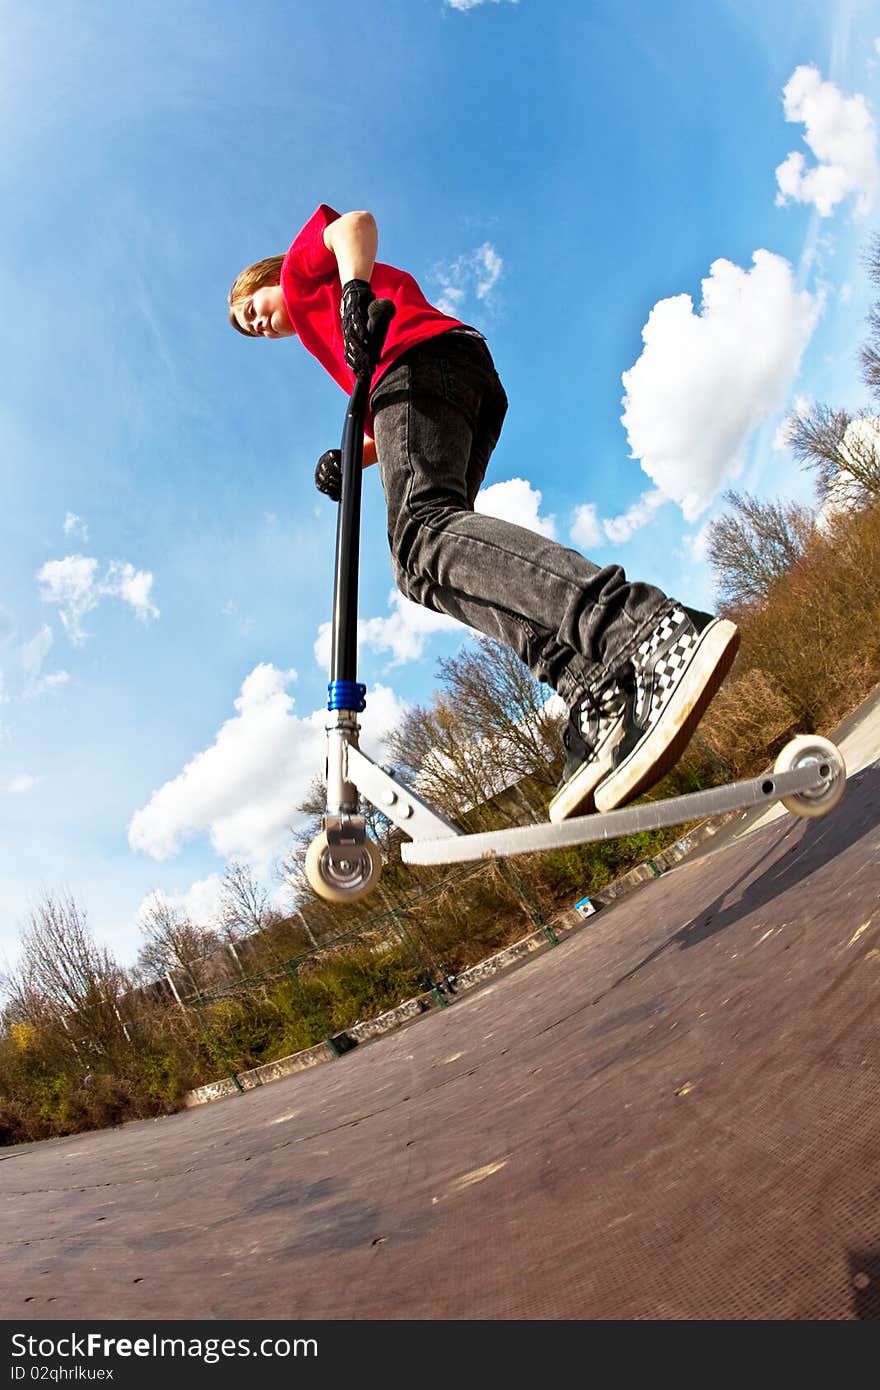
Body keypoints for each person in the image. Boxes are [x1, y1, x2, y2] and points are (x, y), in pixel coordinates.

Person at [228, 204, 739, 821]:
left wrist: (354, 289)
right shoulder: (327, 337)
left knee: (423, 532)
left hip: (423, 365)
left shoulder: (309, 276)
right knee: (420, 570)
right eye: (250, 332)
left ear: (267, 278)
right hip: (437, 380)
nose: (258, 326)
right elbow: (400, 432)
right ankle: (594, 686)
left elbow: (353, 224)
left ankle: (641, 628)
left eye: (251, 311)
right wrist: (353, 456)